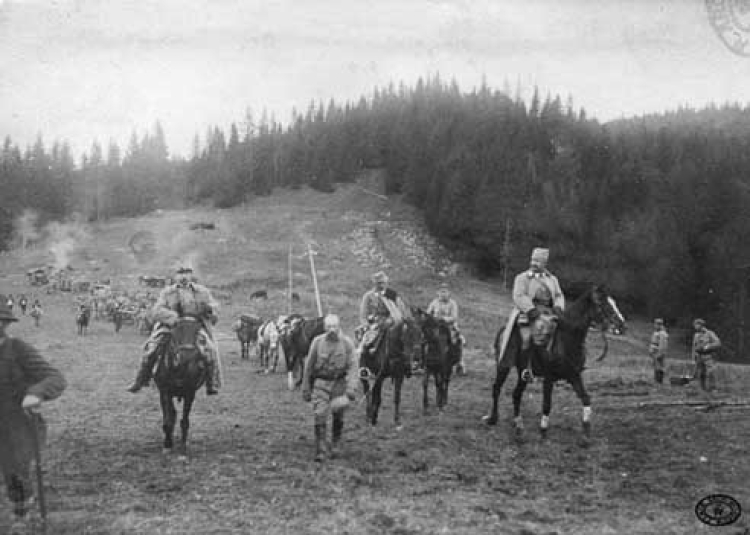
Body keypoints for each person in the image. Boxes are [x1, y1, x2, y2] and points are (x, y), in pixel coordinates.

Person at [0, 297, 66, 531]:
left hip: (13, 425)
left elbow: (55, 378)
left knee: (15, 472)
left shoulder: (17, 349)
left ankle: (22, 513)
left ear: (4, 324)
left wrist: (35, 393)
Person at [126, 265, 222, 395]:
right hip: (171, 327)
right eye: (180, 273)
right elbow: (156, 311)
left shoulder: (202, 292)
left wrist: (210, 309)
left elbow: (215, 307)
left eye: (186, 273)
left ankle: (212, 383)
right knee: (151, 348)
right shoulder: (167, 292)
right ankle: (141, 379)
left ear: (191, 275)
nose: (183, 277)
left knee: (210, 350)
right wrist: (172, 317)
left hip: (194, 327)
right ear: (175, 276)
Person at [497, 248, 565, 382]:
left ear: (544, 263)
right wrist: (531, 310)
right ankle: (526, 369)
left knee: (562, 333)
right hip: (528, 313)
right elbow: (518, 295)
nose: (534, 263)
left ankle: (559, 367)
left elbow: (558, 295)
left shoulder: (552, 279)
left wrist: (558, 307)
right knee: (527, 338)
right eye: (533, 260)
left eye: (538, 261)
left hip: (549, 312)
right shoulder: (522, 278)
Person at [302, 314, 358, 462]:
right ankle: (320, 449)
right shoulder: (317, 342)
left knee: (338, 413)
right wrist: (306, 387)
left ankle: (336, 444)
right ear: (324, 327)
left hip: (339, 384)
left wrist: (352, 387)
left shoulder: (347, 343)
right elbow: (308, 366)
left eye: (334, 326)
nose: (331, 330)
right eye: (328, 327)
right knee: (319, 413)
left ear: (339, 326)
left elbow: (353, 367)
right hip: (321, 383)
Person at [357, 271, 413, 376]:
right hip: (375, 323)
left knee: (406, 335)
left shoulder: (392, 294)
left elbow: (401, 309)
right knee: (367, 339)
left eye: (383, 283)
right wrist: (366, 325)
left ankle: (408, 363)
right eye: (379, 283)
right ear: (374, 283)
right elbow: (363, 314)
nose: (381, 285)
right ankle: (364, 367)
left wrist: (399, 319)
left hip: (392, 321)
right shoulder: (368, 296)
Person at [426, 282, 465, 374]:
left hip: (449, 326)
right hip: (436, 327)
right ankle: (421, 360)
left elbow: (454, 317)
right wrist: (431, 319)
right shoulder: (434, 302)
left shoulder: (453, 303)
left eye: (445, 292)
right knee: (425, 338)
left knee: (458, 340)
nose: (443, 294)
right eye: (441, 292)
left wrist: (443, 319)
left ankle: (460, 362)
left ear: (449, 293)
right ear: (438, 293)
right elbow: (428, 314)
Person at [691, 318, 721, 393]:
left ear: (701, 325)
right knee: (701, 373)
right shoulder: (696, 335)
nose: (695, 327)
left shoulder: (710, 333)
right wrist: (693, 357)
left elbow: (718, 343)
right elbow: (694, 347)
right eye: (695, 325)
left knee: (711, 372)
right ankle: (702, 388)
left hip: (708, 356)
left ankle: (713, 388)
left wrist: (707, 346)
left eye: (696, 325)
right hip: (699, 356)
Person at [649, 318, 669, 384]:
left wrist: (659, 354)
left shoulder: (662, 334)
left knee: (659, 367)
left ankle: (659, 381)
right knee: (656, 367)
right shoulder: (656, 332)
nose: (654, 326)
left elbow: (662, 345)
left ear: (659, 325)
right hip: (654, 353)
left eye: (656, 324)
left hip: (658, 353)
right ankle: (656, 381)